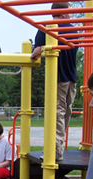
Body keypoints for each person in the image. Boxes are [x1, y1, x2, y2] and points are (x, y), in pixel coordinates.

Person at [30, 2, 78, 160]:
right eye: (69, 12)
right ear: (63, 14)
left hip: (57, 78)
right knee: (65, 115)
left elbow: (37, 50)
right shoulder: (73, 29)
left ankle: (55, 151)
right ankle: (58, 147)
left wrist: (32, 56)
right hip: (72, 78)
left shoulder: (47, 27)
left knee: (58, 115)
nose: (70, 15)